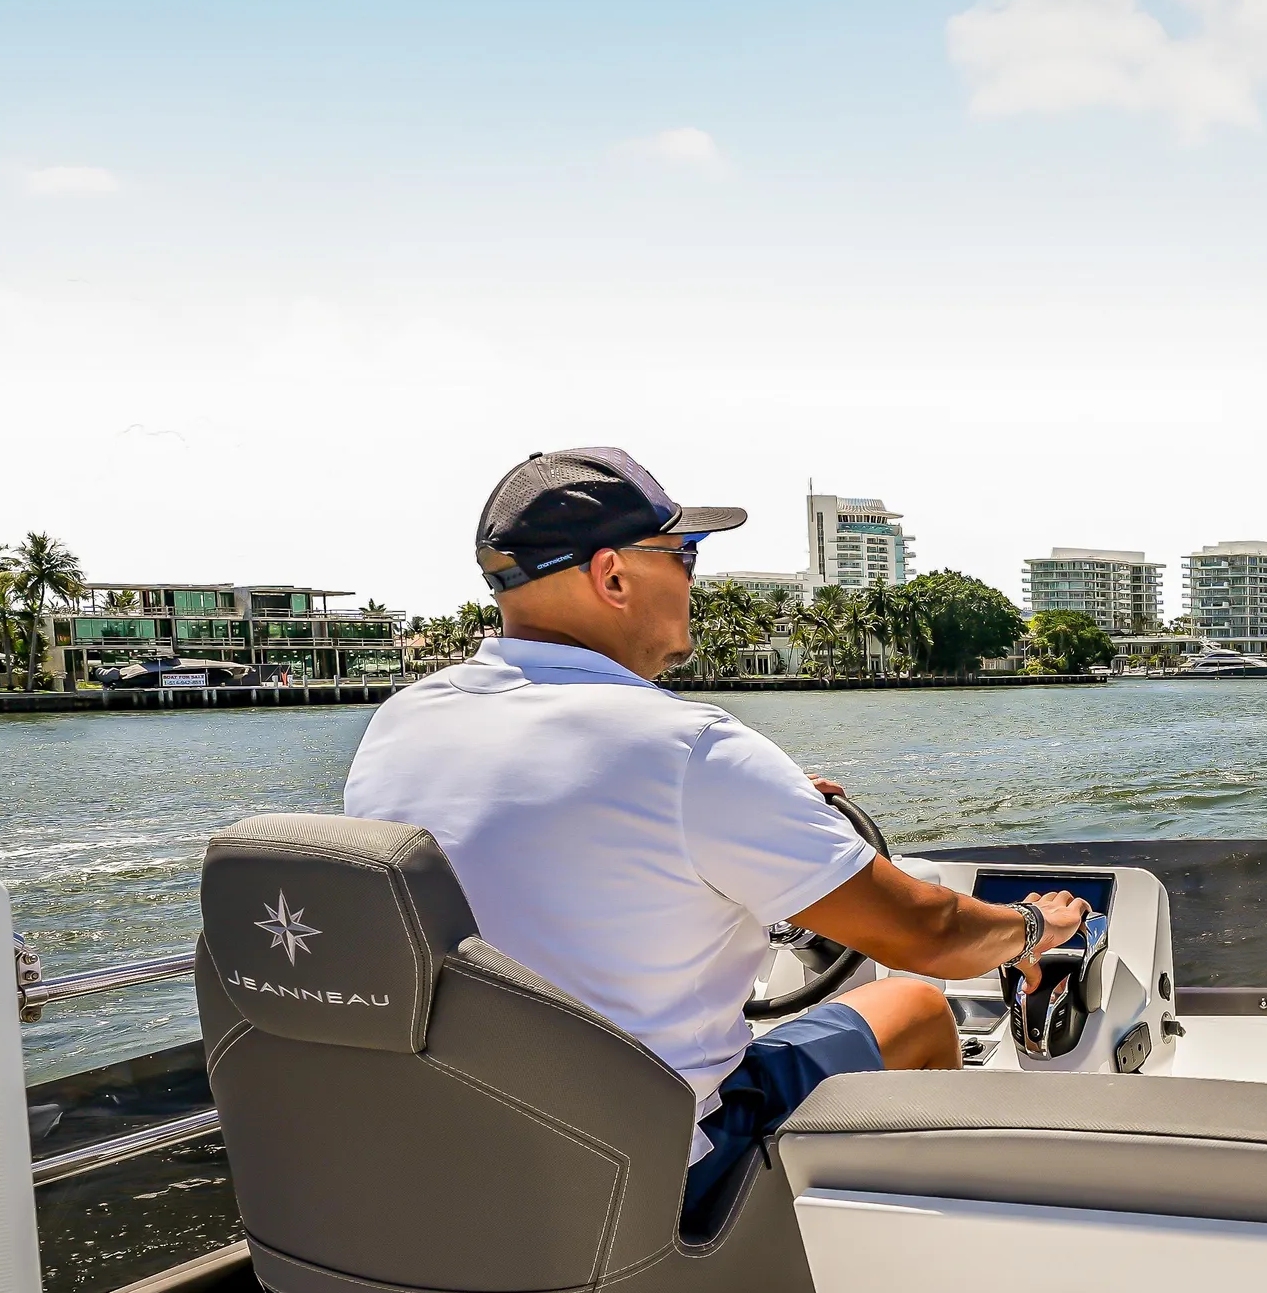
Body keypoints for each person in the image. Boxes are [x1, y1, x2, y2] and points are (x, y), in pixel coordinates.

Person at [344, 446, 1086, 1231]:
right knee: (917, 1011)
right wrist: (1039, 928)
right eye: (684, 554)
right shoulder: (691, 749)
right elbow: (930, 935)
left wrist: (762, 815)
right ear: (614, 577)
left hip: (443, 1188)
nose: (696, 580)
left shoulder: (401, 724)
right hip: (641, 1206)